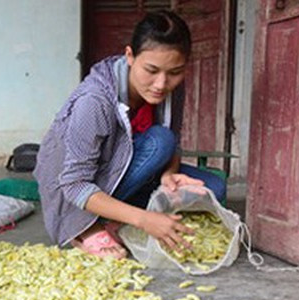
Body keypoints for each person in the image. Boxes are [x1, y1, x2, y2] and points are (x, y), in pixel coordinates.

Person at [34, 10, 226, 259]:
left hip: (129, 168)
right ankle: (88, 226)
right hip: (76, 189)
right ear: (129, 56)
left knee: (215, 188)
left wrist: (169, 175)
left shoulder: (171, 89)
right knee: (159, 141)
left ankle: (121, 217)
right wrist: (144, 220)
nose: (161, 84)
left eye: (175, 72)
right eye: (151, 70)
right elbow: (74, 184)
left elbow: (174, 144)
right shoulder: (94, 101)